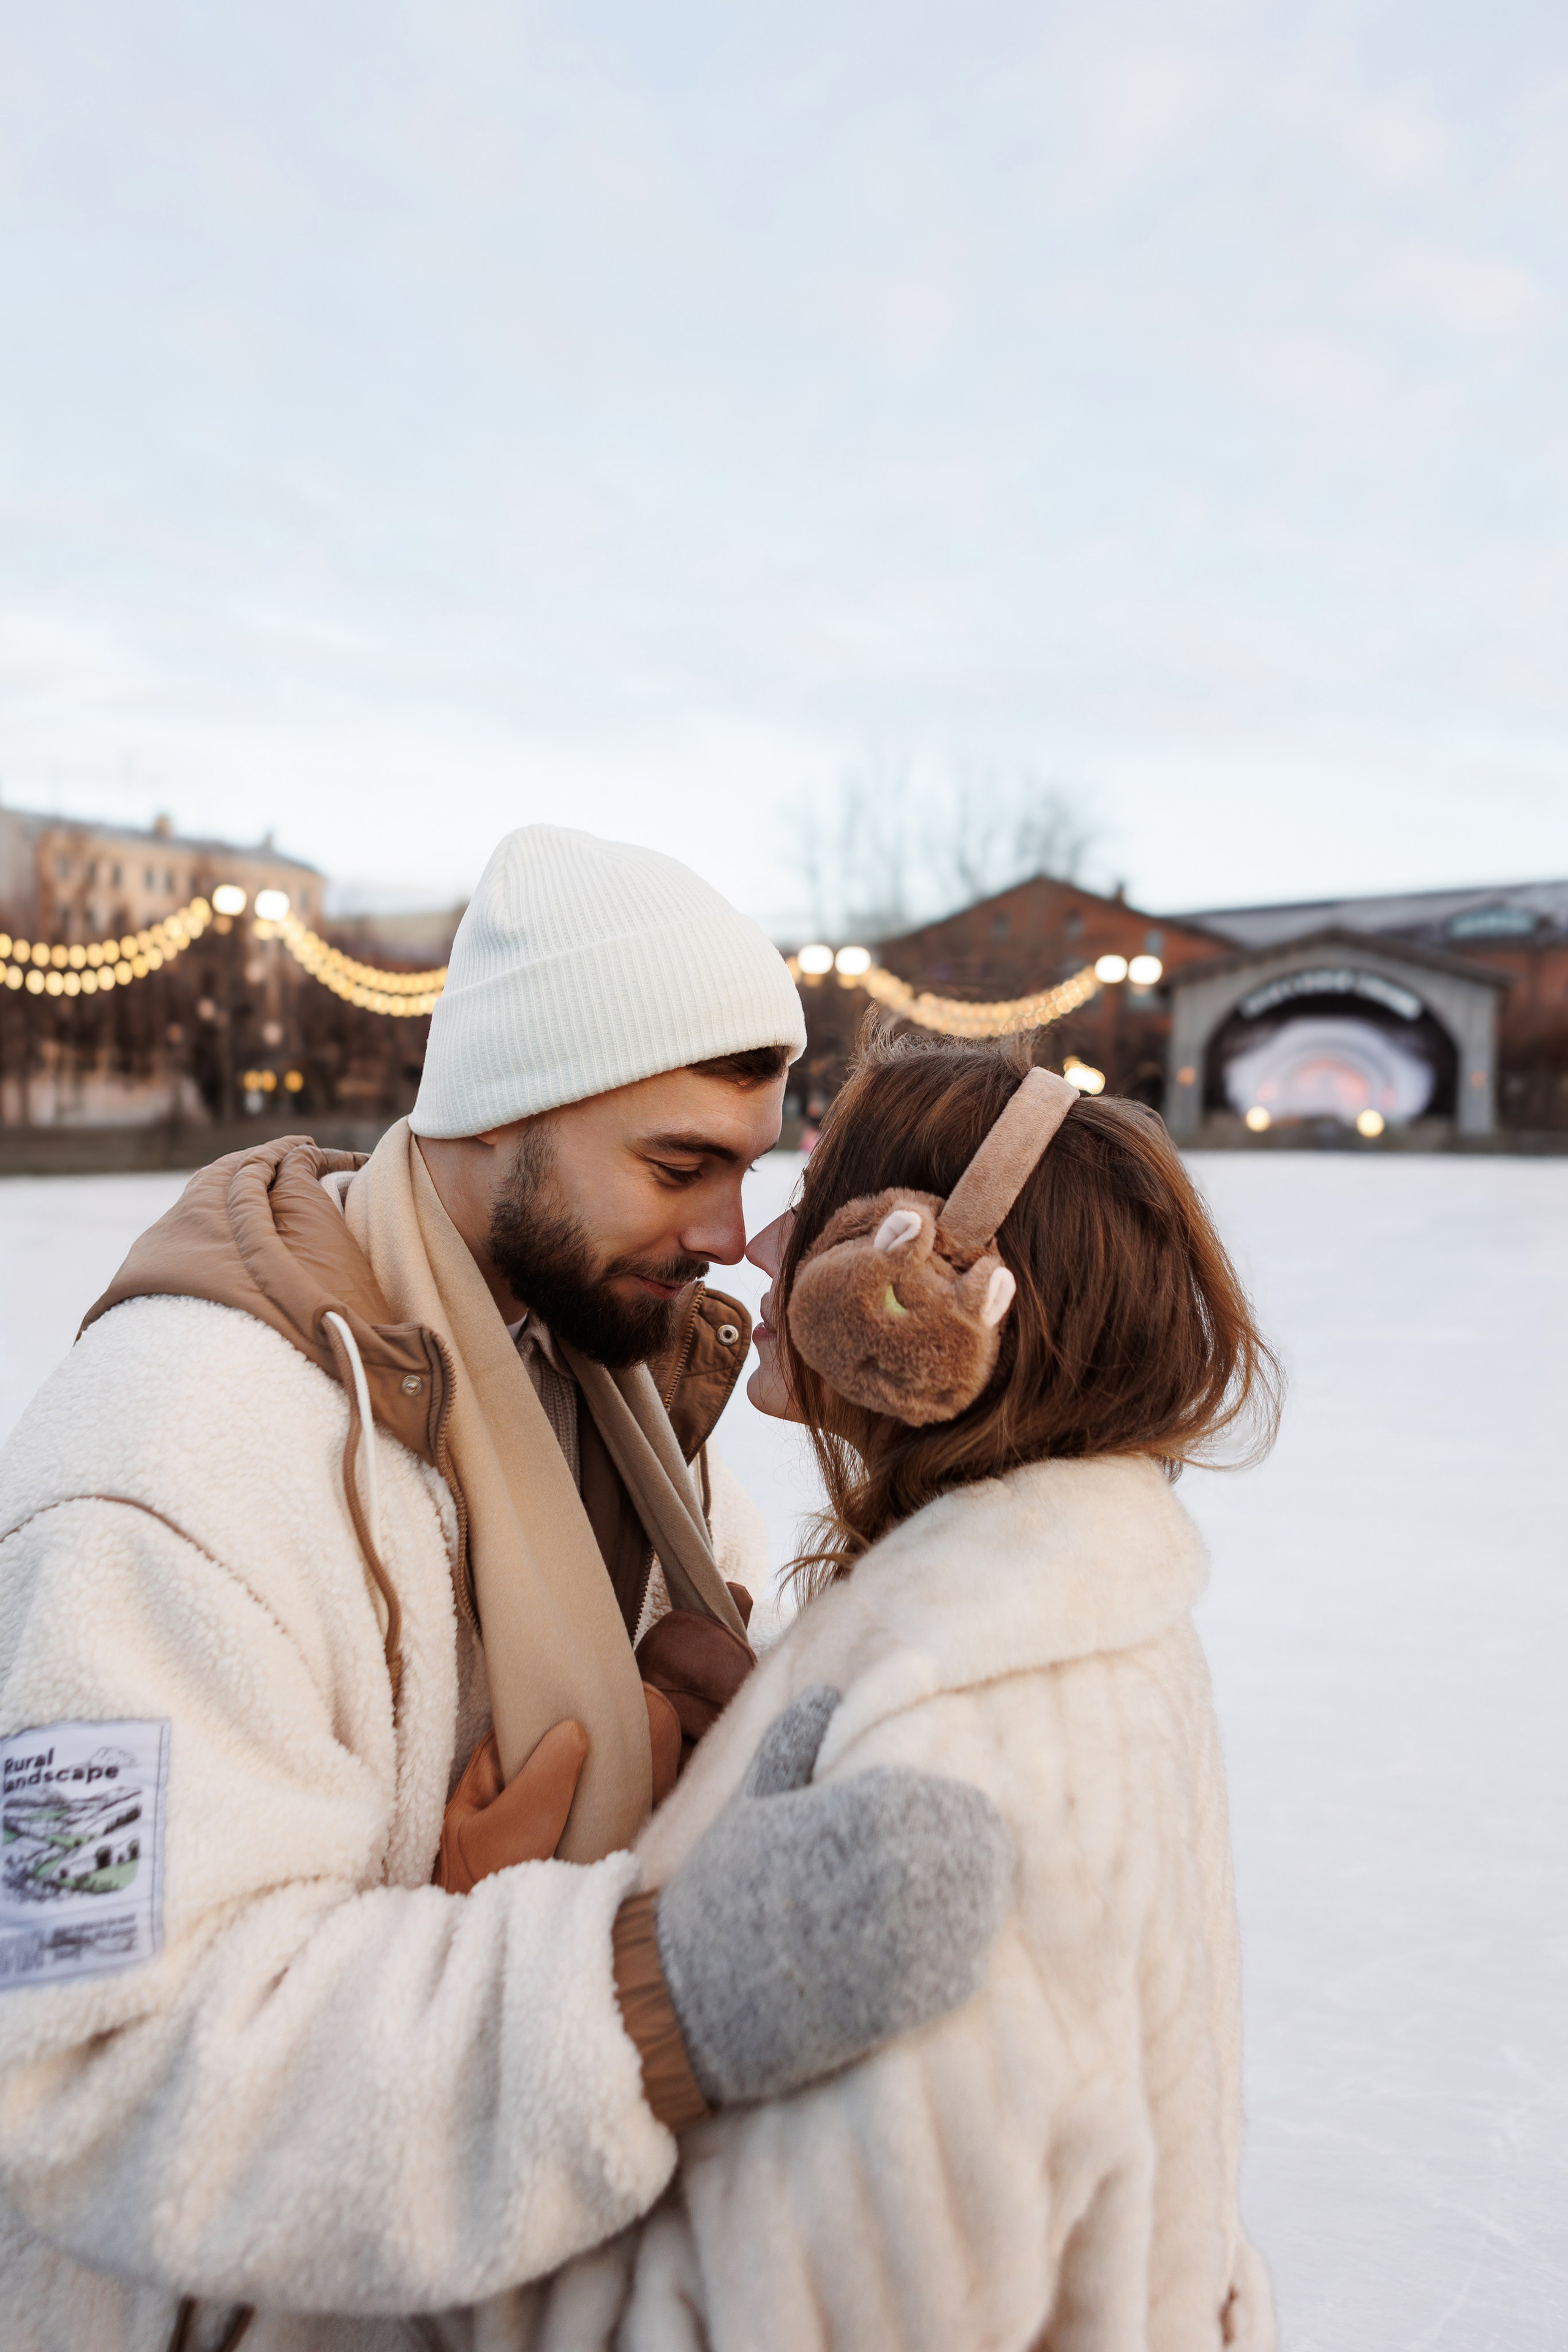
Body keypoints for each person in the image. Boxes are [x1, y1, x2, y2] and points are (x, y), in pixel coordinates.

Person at [0, 831, 1012, 2352]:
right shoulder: (162, 1471)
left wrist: (737, 1754)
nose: (729, 1237)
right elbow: (85, 2066)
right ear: (493, 1117)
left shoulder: (616, 1384)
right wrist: (619, 1977)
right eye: (678, 1165)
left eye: (744, 1169)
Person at [518, 1028, 1281, 2351]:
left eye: (817, 1210)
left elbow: (804, 2313)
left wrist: (510, 1932)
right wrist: (743, 1786)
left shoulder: (951, 1728)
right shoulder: (1061, 1607)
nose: (755, 1248)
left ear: (925, 1286)